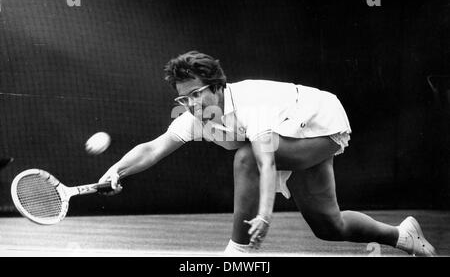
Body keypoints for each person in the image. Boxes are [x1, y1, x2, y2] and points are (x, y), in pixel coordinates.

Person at [99, 51, 436, 256]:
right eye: (183, 99)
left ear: (217, 86)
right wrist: (118, 170)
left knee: (245, 156)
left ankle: (239, 251)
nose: (190, 104)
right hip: (294, 133)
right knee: (329, 226)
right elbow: (154, 147)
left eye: (196, 94)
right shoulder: (197, 117)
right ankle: (403, 235)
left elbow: (264, 160)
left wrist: (264, 215)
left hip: (321, 124)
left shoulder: (250, 107)